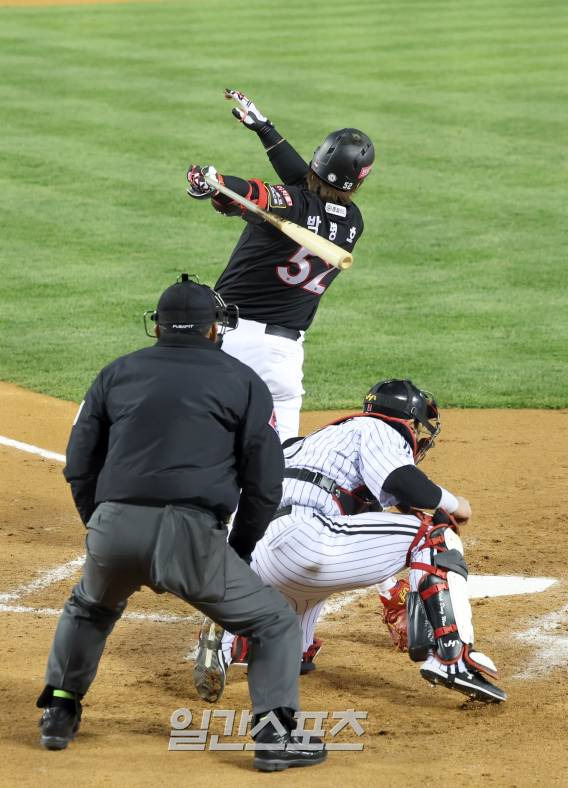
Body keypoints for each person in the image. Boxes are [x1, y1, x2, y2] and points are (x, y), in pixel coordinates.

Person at [36, 274, 327, 772]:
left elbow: (79, 463)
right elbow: (264, 483)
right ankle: (276, 739)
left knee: (89, 606)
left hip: (114, 529)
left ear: (159, 327)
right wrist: (237, 548)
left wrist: (99, 524)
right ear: (217, 329)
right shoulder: (243, 381)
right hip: (193, 537)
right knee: (273, 622)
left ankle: (60, 711)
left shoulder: (116, 372)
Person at [193, 379, 507, 705]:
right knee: (434, 537)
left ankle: (235, 641)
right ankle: (452, 659)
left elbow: (377, 514)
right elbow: (403, 483)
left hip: (259, 555)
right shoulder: (377, 428)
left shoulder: (311, 444)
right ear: (406, 419)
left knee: (289, 650)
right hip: (306, 540)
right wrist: (455, 504)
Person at [186, 88, 374, 442]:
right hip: (284, 358)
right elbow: (301, 183)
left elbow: (254, 193)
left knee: (199, 436)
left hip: (234, 342)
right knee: (277, 460)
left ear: (318, 159)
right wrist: (265, 129)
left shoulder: (294, 203)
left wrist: (215, 184)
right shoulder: (353, 221)